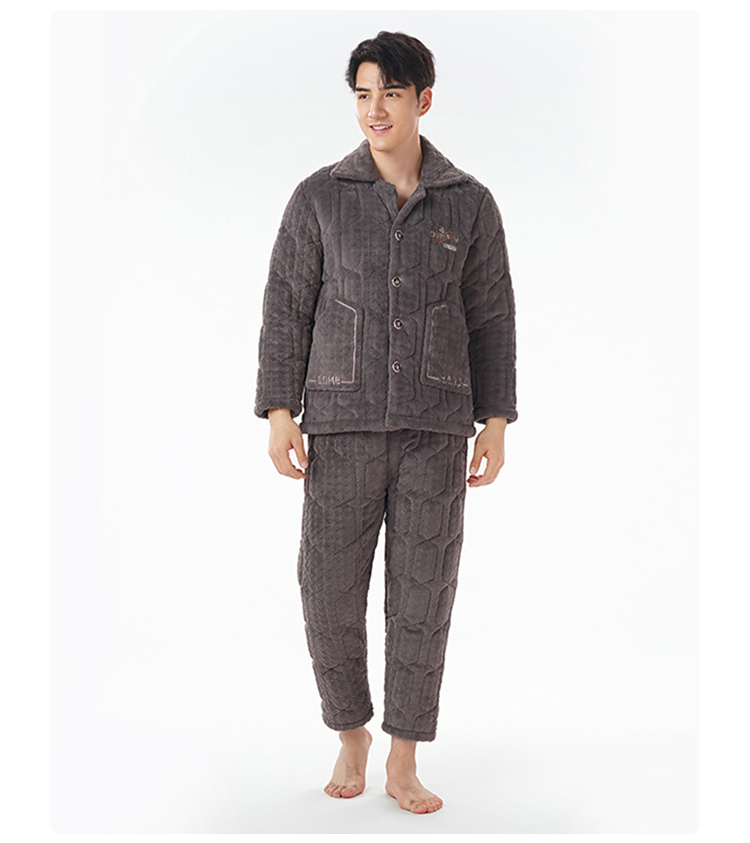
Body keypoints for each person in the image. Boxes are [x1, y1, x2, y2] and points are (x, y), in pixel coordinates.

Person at [254, 30, 517, 814]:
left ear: (423, 100)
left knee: (422, 595)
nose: (374, 110)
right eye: (363, 94)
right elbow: (286, 306)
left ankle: (404, 755)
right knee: (327, 589)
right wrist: (279, 411)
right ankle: (350, 730)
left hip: (437, 430)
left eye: (391, 95)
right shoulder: (319, 197)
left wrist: (496, 419)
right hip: (339, 427)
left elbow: (492, 316)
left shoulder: (469, 203)